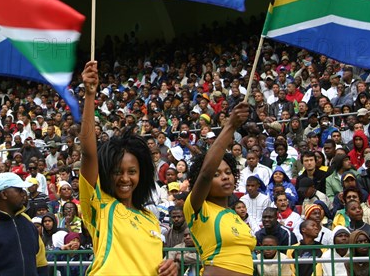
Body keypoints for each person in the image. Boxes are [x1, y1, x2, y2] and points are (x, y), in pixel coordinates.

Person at [78, 61, 176, 275]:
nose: (125, 178)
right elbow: (88, 153)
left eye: (132, 172)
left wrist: (169, 268)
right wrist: (89, 96)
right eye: (117, 172)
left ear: (142, 174)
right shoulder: (100, 204)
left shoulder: (150, 218)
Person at [185, 102, 256, 276]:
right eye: (217, 174)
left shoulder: (234, 215)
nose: (225, 177)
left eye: (228, 172)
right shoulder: (197, 207)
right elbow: (205, 174)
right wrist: (230, 126)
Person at [0, 172, 48, 275]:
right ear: (4, 194)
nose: (24, 194)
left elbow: (40, 262)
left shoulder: (27, 221)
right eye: (19, 190)